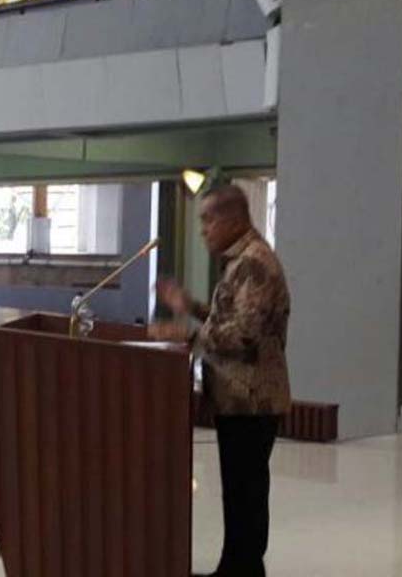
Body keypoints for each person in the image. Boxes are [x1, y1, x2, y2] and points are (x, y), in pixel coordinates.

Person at [148, 184, 290, 577]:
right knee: (239, 491)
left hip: (252, 399)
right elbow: (226, 318)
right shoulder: (240, 261)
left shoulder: (255, 262)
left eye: (208, 220)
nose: (203, 230)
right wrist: (188, 307)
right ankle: (236, 566)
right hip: (237, 398)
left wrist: (185, 335)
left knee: (246, 492)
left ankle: (243, 569)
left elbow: (245, 335)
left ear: (232, 220)